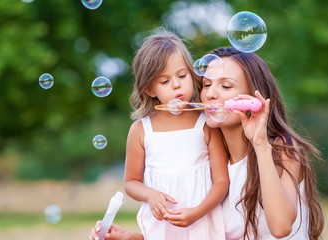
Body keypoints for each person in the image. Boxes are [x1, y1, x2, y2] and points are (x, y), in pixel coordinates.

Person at [90, 46, 325, 240]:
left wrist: (260, 143)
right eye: (206, 85)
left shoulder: (282, 150)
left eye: (226, 86)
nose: (211, 94)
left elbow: (281, 227)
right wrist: (132, 238)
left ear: (252, 98)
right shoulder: (208, 164)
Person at [91, 28, 229, 240]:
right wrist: (150, 194)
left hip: (202, 221)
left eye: (182, 75)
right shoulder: (141, 130)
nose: (176, 84)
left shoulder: (206, 123)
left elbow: (221, 182)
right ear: (149, 89)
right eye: (164, 81)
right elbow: (131, 182)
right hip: (162, 223)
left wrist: (197, 213)